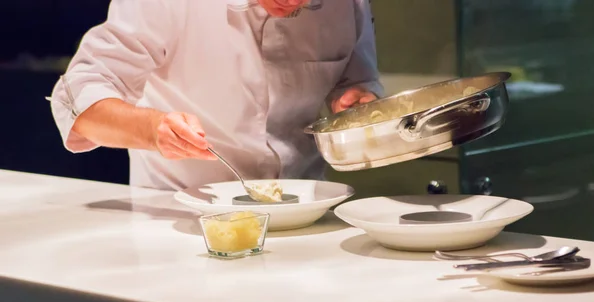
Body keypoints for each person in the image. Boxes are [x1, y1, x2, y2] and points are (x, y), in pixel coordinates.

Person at [49, 0, 383, 191]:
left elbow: (358, 81)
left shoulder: (347, 5)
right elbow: (79, 96)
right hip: (180, 220)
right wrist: (151, 129)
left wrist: (357, 101)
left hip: (308, 213)